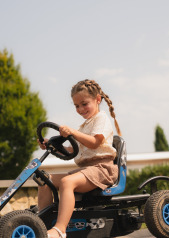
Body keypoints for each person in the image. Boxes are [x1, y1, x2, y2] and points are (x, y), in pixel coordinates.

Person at [37, 79, 122, 238]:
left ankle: (60, 230)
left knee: (66, 182)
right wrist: (51, 145)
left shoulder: (101, 119)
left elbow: (95, 143)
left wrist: (73, 133)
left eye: (84, 104)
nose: (80, 109)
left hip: (102, 169)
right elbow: (74, 151)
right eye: (77, 106)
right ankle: (41, 225)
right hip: (86, 170)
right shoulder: (84, 126)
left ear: (97, 99)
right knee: (45, 180)